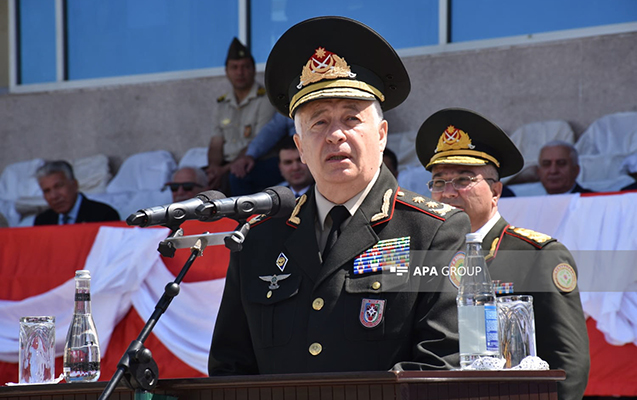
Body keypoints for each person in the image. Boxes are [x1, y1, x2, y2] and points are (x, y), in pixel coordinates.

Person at [208, 16, 471, 376]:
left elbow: (441, 365)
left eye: (351, 119)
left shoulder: (433, 231)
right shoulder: (258, 238)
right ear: (300, 147)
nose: (335, 135)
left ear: (381, 135)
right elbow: (230, 368)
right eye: (319, 122)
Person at [415, 108, 590, 400]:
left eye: (463, 180)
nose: (448, 192)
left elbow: (568, 364)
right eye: (439, 182)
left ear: (496, 192)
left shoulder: (537, 255)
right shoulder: (427, 257)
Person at [207, 37, 277, 196]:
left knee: (237, 176)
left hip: (257, 161)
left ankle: (244, 213)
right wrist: (213, 168)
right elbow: (215, 144)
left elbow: (259, 142)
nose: (240, 72)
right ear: (226, 72)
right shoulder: (222, 104)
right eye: (234, 67)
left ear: (253, 69)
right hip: (226, 165)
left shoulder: (266, 100)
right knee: (192, 179)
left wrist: (223, 170)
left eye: (245, 67)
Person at [34, 160, 120, 225]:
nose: (54, 196)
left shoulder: (104, 216)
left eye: (59, 186)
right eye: (47, 191)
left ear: (75, 185)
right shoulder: (42, 221)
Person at [230, 112, 295, 190]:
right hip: (292, 152)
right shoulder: (289, 108)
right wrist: (250, 155)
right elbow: (272, 130)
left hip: (305, 156)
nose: (295, 168)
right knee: (240, 174)